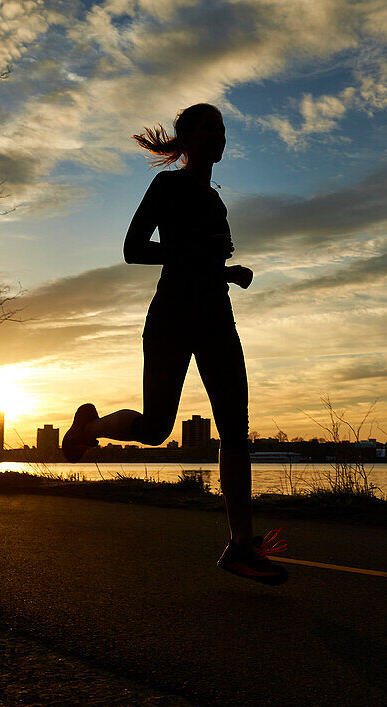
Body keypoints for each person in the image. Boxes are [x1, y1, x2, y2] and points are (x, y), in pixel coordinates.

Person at [62, 103, 288, 585]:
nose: (217, 135)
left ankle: (240, 547)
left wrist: (230, 272)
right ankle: (90, 426)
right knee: (156, 427)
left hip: (216, 317)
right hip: (172, 318)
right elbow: (133, 249)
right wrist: (194, 254)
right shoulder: (168, 187)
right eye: (207, 127)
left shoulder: (216, 201)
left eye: (222, 129)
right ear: (185, 139)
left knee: (235, 430)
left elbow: (205, 261)